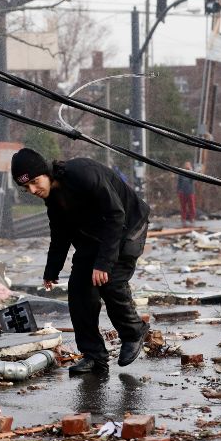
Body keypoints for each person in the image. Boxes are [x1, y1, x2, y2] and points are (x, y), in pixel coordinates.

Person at [10, 148, 151, 375]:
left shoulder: (83, 174)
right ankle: (94, 355)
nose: (33, 190)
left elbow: (116, 215)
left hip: (128, 226)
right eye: (27, 188)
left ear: (47, 172)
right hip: (95, 235)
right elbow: (60, 234)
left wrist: (104, 263)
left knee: (111, 282)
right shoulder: (53, 199)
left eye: (35, 182)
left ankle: (134, 332)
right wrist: (51, 270)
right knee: (79, 290)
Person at [176, 161, 196, 227]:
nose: (187, 166)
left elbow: (194, 180)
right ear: (184, 165)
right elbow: (178, 182)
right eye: (186, 164)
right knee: (183, 206)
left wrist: (191, 170)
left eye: (188, 165)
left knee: (192, 206)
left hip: (190, 192)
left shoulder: (192, 172)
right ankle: (183, 219)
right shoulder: (181, 173)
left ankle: (192, 218)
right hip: (182, 192)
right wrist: (178, 191)